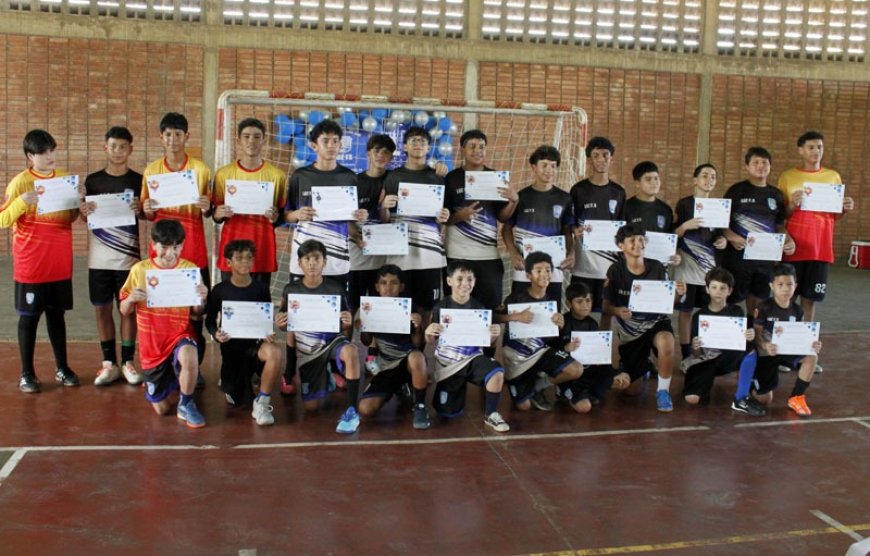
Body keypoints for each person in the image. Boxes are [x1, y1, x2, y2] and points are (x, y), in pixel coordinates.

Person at [283, 119, 366, 395]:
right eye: (325, 141)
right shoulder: (300, 176)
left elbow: (352, 224)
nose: (331, 146)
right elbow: (286, 214)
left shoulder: (349, 177)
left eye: (335, 141)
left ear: (341, 145)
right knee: (299, 313)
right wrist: (297, 215)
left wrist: (360, 220)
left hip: (338, 259)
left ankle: (335, 366)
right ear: (313, 145)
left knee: (340, 313)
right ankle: (290, 370)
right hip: (304, 260)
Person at [1, 129, 81, 393]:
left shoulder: (65, 179)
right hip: (31, 266)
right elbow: (3, 220)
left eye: (52, 150)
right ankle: (27, 374)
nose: (50, 156)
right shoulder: (19, 184)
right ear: (30, 156)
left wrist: (77, 205)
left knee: (57, 317)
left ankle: (63, 368)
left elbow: (69, 219)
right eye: (43, 152)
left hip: (59, 264)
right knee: (29, 319)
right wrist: (22, 203)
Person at [119, 219, 209, 427]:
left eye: (176, 247)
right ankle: (173, 382)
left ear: (183, 245)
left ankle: (187, 403)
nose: (170, 253)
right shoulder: (139, 270)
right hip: (153, 346)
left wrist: (201, 299)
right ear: (153, 244)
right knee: (162, 409)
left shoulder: (190, 270)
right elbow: (124, 311)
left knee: (189, 353)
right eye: (165, 247)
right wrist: (131, 299)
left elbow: (197, 313)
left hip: (179, 335)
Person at [777, 130, 854, 373]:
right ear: (800, 150)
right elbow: (781, 215)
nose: (815, 151)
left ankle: (805, 353)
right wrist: (792, 204)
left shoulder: (833, 177)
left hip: (820, 250)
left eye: (819, 147)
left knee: (809, 302)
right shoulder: (788, 177)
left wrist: (845, 208)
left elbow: (834, 215)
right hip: (794, 250)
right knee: (785, 301)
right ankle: (781, 354)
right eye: (810, 147)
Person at [141, 112, 213, 368]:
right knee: (164, 310)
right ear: (161, 137)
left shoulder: (201, 169)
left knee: (195, 313)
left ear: (187, 137)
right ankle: (162, 364)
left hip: (194, 252)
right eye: (168, 134)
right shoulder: (151, 170)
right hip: (162, 258)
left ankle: (194, 365)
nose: (173, 139)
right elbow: (146, 212)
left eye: (178, 134)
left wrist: (206, 207)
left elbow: (211, 209)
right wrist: (148, 208)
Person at [79, 126, 144, 387]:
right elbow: (86, 217)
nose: (118, 151)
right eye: (113, 146)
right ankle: (109, 363)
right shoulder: (93, 180)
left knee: (127, 309)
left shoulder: (139, 179)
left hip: (128, 258)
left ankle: (128, 361)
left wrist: (140, 208)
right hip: (99, 258)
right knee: (102, 308)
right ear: (105, 147)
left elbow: (147, 214)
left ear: (130, 149)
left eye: (123, 146)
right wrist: (84, 210)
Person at [276, 240, 362, 434]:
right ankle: (323, 376)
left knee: (351, 351)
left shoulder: (336, 290)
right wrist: (280, 323)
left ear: (325, 262)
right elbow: (285, 323)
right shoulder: (291, 290)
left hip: (331, 342)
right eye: (307, 259)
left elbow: (344, 324)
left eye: (317, 258)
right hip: (309, 352)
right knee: (311, 408)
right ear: (300, 263)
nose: (312, 263)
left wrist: (347, 322)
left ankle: (352, 410)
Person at [603, 224, 686, 412]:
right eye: (631, 240)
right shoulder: (615, 271)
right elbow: (607, 307)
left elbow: (669, 302)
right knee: (631, 391)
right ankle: (645, 365)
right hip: (631, 332)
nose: (637, 243)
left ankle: (663, 391)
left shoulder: (656, 267)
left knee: (666, 341)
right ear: (620, 246)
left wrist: (679, 294)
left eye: (641, 239)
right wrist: (618, 311)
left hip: (656, 322)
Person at [425, 260, 510, 432]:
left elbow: (488, 343)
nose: (465, 284)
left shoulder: (480, 308)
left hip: (472, 360)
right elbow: (431, 341)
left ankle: (491, 414)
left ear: (475, 282)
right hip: (450, 366)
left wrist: (494, 336)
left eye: (470, 279)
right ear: (449, 281)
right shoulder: (441, 307)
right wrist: (429, 331)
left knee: (496, 372)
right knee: (446, 413)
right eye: (460, 279)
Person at [205, 240, 283, 426]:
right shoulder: (220, 290)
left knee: (275, 352)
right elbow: (209, 321)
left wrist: (268, 333)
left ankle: (262, 402)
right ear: (229, 262)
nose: (245, 262)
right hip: (231, 349)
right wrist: (215, 333)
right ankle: (234, 380)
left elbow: (264, 319)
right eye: (239, 258)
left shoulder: (261, 289)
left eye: (249, 258)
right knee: (236, 400)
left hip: (254, 346)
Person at [496, 252, 582, 413]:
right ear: (529, 275)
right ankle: (525, 383)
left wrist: (560, 325)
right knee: (524, 406)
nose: (544, 274)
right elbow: (495, 318)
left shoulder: (551, 301)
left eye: (548, 270)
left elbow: (549, 336)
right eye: (539, 270)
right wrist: (515, 316)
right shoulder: (516, 298)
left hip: (540, 352)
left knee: (576, 369)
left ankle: (539, 384)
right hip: (517, 358)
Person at [444, 129, 518, 311]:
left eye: (482, 147)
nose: (478, 151)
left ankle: (491, 341)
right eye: (473, 146)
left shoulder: (495, 178)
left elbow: (502, 217)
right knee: (457, 307)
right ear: (462, 149)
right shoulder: (451, 179)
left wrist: (513, 201)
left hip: (488, 255)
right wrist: (460, 216)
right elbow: (444, 218)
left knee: (491, 307)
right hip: (457, 254)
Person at [380, 127, 450, 315]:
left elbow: (443, 219)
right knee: (398, 305)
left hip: (429, 253)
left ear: (428, 147)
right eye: (413, 141)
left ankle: (419, 346)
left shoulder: (438, 177)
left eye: (422, 141)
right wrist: (384, 206)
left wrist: (444, 217)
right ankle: (399, 344)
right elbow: (385, 220)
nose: (418, 144)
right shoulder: (393, 177)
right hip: (400, 252)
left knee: (427, 307)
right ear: (405, 146)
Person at [680, 267, 764, 416]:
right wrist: (696, 346)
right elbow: (696, 353)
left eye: (722, 288)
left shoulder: (737, 312)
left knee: (751, 349)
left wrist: (749, 336)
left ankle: (741, 397)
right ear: (707, 289)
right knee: (692, 399)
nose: (718, 291)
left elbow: (741, 341)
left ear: (730, 291)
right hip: (707, 360)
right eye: (714, 287)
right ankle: (702, 384)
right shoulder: (699, 316)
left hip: (728, 358)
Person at [213, 117, 287, 285]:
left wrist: (276, 217)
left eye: (256, 137)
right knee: (230, 303)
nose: (251, 141)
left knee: (259, 302)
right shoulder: (223, 174)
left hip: (262, 247)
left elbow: (281, 216)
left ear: (264, 140)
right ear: (239, 140)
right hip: (232, 246)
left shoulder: (277, 176)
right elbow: (216, 214)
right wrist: (218, 213)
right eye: (246, 136)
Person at [722, 147, 794, 317]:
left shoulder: (775, 194)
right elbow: (721, 222)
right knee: (731, 299)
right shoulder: (736, 191)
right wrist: (732, 237)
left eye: (765, 163)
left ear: (770, 166)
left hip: (765, 258)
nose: (760, 166)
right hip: (738, 256)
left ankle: (753, 335)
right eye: (755, 162)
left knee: (759, 301)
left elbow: (779, 225)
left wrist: (788, 240)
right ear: (747, 166)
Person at [357, 265, 431, 430]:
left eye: (393, 283)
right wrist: (364, 326)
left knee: (417, 357)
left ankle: (419, 406)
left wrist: (418, 327)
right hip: (386, 368)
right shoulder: (371, 308)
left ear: (401, 286)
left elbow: (418, 344)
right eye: (383, 283)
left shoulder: (410, 309)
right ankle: (399, 386)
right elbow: (365, 341)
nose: (388, 287)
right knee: (365, 409)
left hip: (407, 363)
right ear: (377, 287)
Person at [502, 145, 574, 303]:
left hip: (553, 267)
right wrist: (513, 253)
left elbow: (567, 231)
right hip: (525, 266)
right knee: (521, 309)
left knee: (551, 313)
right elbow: (506, 229)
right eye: (545, 165)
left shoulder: (564, 198)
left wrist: (571, 252)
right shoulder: (521, 197)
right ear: (534, 167)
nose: (549, 170)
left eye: (553, 166)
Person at [751, 263, 823, 417]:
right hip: (767, 355)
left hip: (786, 351)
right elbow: (756, 336)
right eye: (780, 284)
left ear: (795, 286)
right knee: (764, 399)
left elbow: (800, 336)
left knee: (811, 357)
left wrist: (812, 344)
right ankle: (752, 382)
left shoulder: (798, 310)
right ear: (772, 286)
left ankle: (796, 397)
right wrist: (765, 345)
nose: (785, 289)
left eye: (789, 284)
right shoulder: (763, 307)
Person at [672, 163, 727, 360]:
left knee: (708, 313)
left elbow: (720, 235)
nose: (709, 180)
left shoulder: (719, 207)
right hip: (686, 269)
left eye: (713, 176)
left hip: (709, 272)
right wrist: (686, 225)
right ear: (695, 180)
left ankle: (706, 351)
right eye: (705, 175)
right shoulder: (685, 204)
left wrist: (723, 240)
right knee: (685, 312)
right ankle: (686, 354)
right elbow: (674, 234)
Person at [569, 136, 626, 316]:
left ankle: (603, 344)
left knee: (606, 311)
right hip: (583, 264)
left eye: (605, 155)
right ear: (589, 159)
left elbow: (622, 229)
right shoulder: (578, 190)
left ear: (611, 158)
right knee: (580, 310)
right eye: (596, 155)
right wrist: (574, 231)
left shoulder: (619, 192)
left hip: (608, 264)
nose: (601, 160)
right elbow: (569, 224)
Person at [348, 134, 395, 314]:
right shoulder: (355, 182)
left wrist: (438, 170)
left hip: (386, 259)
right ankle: (345, 342)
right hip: (358, 258)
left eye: (386, 152)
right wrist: (358, 238)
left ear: (391, 157)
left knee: (380, 310)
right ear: (368, 153)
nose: (381, 155)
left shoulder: (395, 180)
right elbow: (347, 220)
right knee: (351, 308)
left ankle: (376, 343)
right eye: (377, 150)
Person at [557, 282, 614, 412]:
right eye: (579, 301)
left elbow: (597, 350)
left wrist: (599, 357)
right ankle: (564, 390)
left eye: (588, 300)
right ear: (569, 303)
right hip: (571, 373)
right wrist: (566, 348)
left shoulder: (592, 323)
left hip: (588, 369)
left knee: (609, 372)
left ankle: (590, 393)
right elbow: (552, 351)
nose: (585, 305)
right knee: (584, 408)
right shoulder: (562, 323)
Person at [623, 161, 673, 235]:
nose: (654, 183)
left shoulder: (666, 209)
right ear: (637, 183)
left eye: (656, 178)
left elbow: (669, 236)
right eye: (648, 179)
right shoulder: (625, 207)